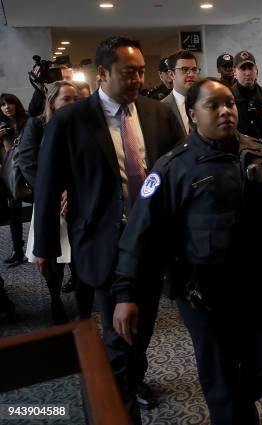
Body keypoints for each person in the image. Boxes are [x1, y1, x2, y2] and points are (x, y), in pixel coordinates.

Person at [111, 77, 262, 425]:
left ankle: (237, 404)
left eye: (229, 103)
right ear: (192, 114)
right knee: (221, 380)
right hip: (204, 294)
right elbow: (140, 236)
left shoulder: (261, 153)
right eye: (213, 105)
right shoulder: (172, 168)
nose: (226, 111)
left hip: (260, 282)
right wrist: (126, 294)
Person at [32, 36, 184, 424]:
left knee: (141, 326)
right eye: (127, 72)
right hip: (103, 242)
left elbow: (178, 171)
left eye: (140, 71)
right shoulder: (71, 120)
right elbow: (48, 188)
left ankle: (131, 377)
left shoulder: (156, 113)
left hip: (150, 241)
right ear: (102, 74)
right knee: (120, 336)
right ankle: (119, 406)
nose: (137, 79)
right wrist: (45, 249)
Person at [19, 81, 79, 324]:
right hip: (50, 203)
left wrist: (74, 190)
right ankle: (55, 300)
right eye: (66, 99)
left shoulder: (83, 125)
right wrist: (56, 191)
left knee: (77, 253)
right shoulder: (37, 124)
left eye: (76, 99)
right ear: (52, 102)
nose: (72, 104)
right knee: (52, 256)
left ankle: (81, 297)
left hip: (77, 201)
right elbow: (28, 163)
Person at [0, 93, 29, 267]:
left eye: (9, 103)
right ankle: (18, 250)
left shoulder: (27, 122)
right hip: (10, 176)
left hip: (28, 171)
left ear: (16, 105)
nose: (6, 107)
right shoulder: (1, 126)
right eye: (3, 105)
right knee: (14, 213)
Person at [232, 50, 262, 143]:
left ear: (256, 70)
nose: (248, 73)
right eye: (243, 68)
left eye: (250, 68)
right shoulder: (227, 97)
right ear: (234, 72)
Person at [162, 50, 200, 134]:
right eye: (184, 69)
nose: (191, 74)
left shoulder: (207, 100)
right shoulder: (161, 108)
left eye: (194, 69)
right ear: (171, 74)